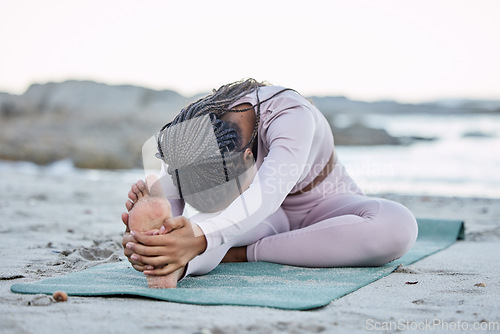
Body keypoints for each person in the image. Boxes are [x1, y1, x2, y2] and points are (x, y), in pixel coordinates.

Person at [121, 79, 418, 288]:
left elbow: (267, 195)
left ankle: (238, 253)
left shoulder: (290, 113)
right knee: (208, 225)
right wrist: (157, 238)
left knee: (398, 225)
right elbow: (171, 188)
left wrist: (203, 236)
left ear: (246, 158)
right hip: (259, 219)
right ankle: (175, 266)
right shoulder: (191, 131)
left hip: (327, 205)